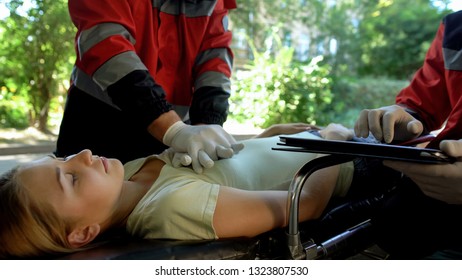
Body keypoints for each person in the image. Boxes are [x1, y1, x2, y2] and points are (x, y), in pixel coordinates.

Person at [0, 123, 357, 259]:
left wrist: (268, 134)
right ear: (83, 233)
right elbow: (305, 206)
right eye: (71, 179)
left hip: (313, 141)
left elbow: (237, 169)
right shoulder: (173, 207)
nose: (81, 155)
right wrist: (332, 145)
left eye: (62, 159)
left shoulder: (131, 175)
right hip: (350, 163)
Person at [55, 0, 240, 173]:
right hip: (98, 119)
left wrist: (206, 127)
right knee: (76, 199)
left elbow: (215, 56)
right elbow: (105, 41)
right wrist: (173, 130)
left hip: (180, 133)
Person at [354, 10, 462, 259]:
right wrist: (401, 116)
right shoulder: (454, 28)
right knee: (395, 226)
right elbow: (422, 106)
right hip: (432, 196)